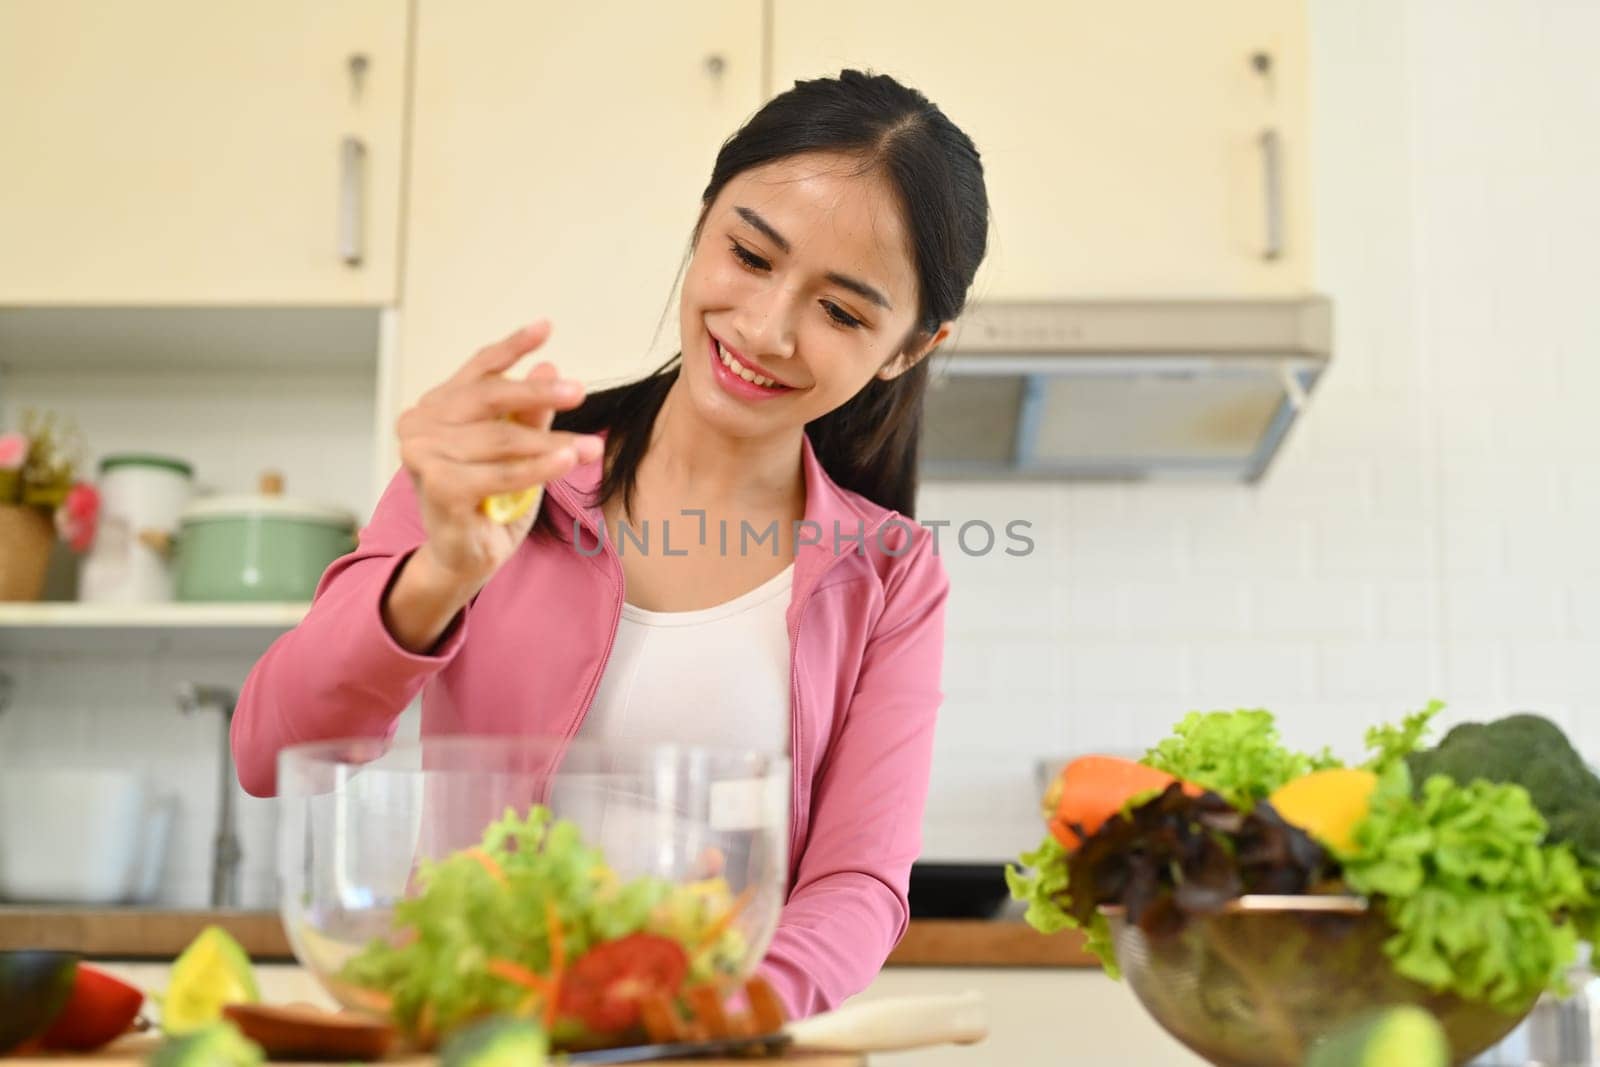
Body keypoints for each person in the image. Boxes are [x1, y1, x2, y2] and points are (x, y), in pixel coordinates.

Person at [231, 69, 989, 1018]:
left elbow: (858, 886)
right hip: (480, 1030)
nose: (766, 327)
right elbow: (270, 753)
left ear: (911, 347)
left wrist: (705, 1018)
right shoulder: (505, 469)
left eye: (841, 312)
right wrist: (441, 574)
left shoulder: (890, 571)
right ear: (705, 218)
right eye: (750, 256)